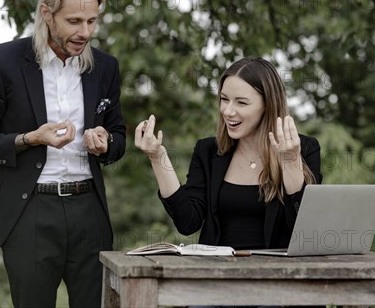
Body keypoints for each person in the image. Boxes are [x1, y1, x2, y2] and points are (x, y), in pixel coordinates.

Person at [0, 0, 125, 308]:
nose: (85, 32)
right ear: (46, 14)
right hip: (29, 211)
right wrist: (30, 138)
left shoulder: (106, 67)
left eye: (92, 21)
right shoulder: (0, 61)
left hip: (89, 212)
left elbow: (119, 138)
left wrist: (106, 141)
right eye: (74, 21)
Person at [135, 57, 322, 308]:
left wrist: (290, 162)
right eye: (224, 99)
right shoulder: (208, 151)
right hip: (217, 282)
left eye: (241, 102)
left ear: (268, 105)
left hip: (279, 283)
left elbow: (305, 231)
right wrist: (158, 158)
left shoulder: (304, 148)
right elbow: (188, 221)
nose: (228, 111)